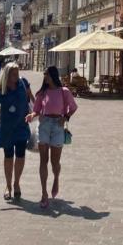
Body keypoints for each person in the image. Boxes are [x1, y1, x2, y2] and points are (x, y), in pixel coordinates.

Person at [26, 65, 77, 209]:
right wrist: (32, 115)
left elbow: (73, 107)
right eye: (44, 74)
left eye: (46, 74)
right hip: (44, 125)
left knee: (55, 162)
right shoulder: (42, 92)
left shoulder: (64, 92)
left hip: (58, 126)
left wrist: (66, 117)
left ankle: (56, 178)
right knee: (43, 160)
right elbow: (36, 110)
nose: (44, 76)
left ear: (53, 75)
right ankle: (44, 194)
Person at [0, 62, 34, 201]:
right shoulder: (0, 88)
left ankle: (16, 183)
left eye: (17, 73)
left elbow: (32, 99)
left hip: (22, 127)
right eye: (13, 74)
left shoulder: (23, 83)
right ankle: (8, 186)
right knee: (8, 157)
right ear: (7, 74)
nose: (16, 76)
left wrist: (36, 112)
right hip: (6, 128)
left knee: (21, 155)